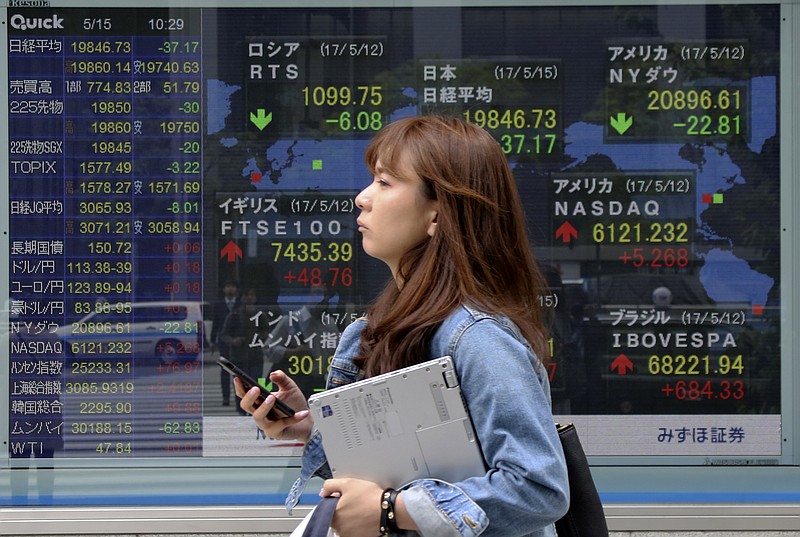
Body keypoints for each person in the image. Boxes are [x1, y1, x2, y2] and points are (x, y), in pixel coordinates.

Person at [237, 115, 569, 536]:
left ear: (437, 215)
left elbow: (538, 488)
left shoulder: (478, 338)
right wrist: (306, 425)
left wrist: (390, 509)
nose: (362, 198)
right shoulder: (371, 330)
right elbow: (392, 472)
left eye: (385, 182)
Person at [211, 279, 240, 406]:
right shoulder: (218, 305)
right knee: (224, 371)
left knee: (237, 371)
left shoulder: (240, 303)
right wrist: (212, 341)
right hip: (223, 342)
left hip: (238, 342)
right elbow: (215, 324)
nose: (230, 289)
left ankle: (238, 397)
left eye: (232, 286)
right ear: (224, 289)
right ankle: (226, 398)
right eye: (228, 286)